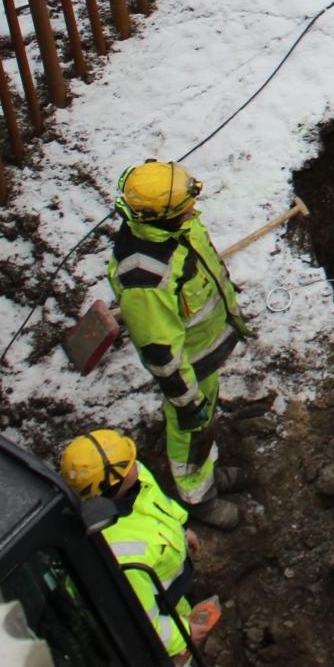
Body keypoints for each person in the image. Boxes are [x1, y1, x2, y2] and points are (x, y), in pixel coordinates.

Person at [108, 160, 253, 529]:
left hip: (206, 350)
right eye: (185, 205)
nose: (194, 208)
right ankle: (198, 497)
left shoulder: (178, 227)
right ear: (163, 215)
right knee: (191, 429)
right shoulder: (144, 277)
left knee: (206, 420)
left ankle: (208, 471)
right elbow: (160, 349)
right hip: (188, 367)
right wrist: (185, 399)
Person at [58, 429, 214, 667]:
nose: (136, 463)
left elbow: (157, 503)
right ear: (111, 485)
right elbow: (141, 624)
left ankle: (194, 660)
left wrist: (181, 526)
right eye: (128, 463)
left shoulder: (135, 478)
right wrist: (183, 634)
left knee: (184, 627)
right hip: (155, 620)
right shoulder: (118, 554)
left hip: (168, 596)